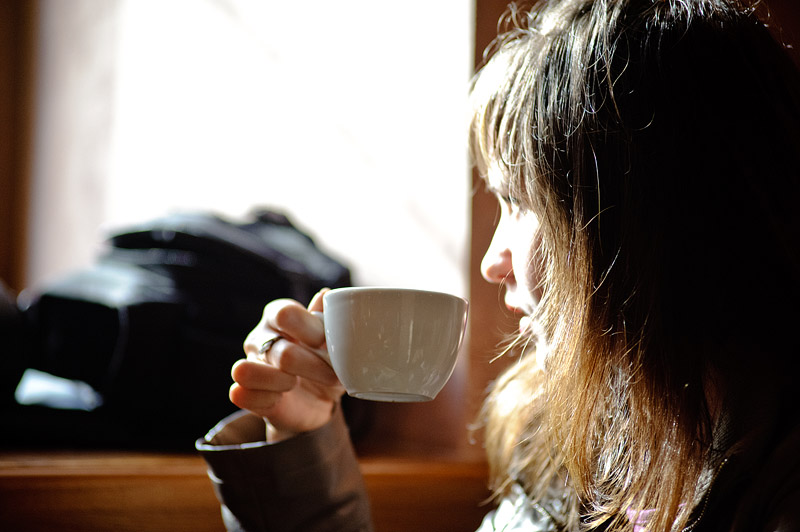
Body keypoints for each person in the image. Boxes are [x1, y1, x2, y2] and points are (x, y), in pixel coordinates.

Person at [196, 0, 800, 530]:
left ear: (642, 223)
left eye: (519, 202)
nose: (491, 263)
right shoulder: (575, 449)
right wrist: (302, 434)